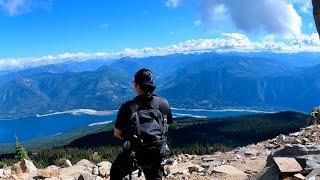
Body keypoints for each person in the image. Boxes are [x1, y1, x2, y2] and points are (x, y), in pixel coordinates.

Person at [110, 68, 173, 180]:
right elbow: (167, 126)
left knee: (115, 171)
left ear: (136, 85)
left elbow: (117, 133)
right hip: (156, 152)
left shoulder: (128, 107)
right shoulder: (163, 103)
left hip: (135, 154)